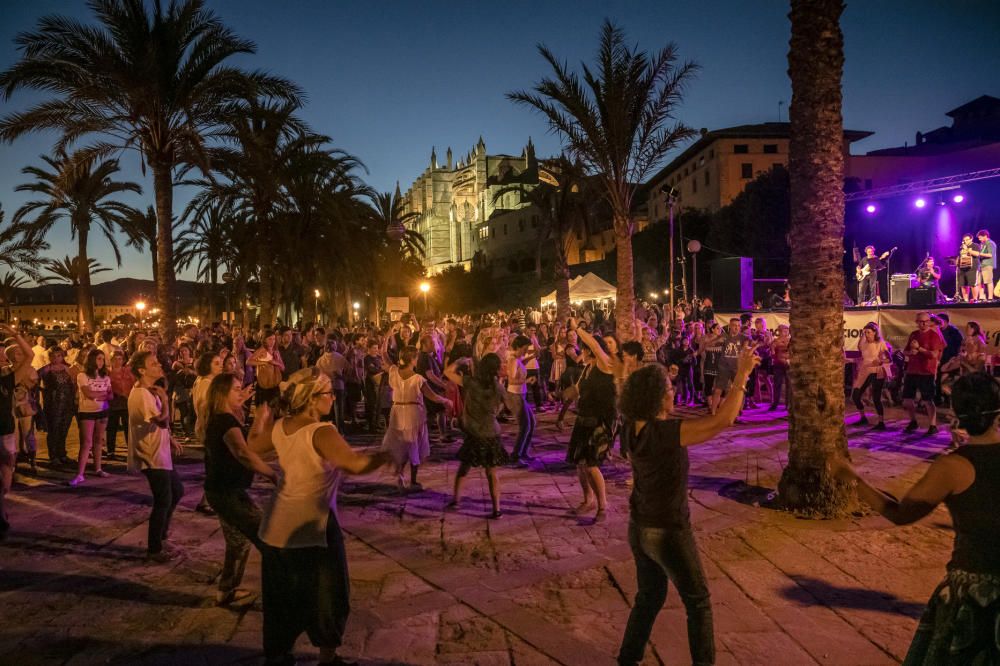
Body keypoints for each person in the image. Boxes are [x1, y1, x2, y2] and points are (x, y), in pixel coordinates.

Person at [831, 372, 1000, 665]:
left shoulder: (953, 467)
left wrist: (853, 479)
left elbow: (900, 514)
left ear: (956, 413)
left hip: (975, 595)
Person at [617, 343, 759, 666]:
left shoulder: (630, 427)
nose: (673, 390)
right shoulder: (664, 433)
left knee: (649, 597)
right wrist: (742, 375)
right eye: (668, 387)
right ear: (656, 397)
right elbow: (721, 421)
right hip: (667, 530)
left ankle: (627, 659)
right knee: (698, 602)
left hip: (638, 527)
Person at [249, 367, 391, 666]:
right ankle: (327, 658)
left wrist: (260, 420)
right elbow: (352, 463)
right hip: (314, 525)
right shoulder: (321, 431)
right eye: (328, 393)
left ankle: (278, 655)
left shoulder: (281, 427)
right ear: (313, 399)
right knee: (330, 593)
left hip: (275, 528)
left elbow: (251, 447)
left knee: (281, 598)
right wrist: (385, 455)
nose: (332, 397)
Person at [203, 372, 275, 606]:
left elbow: (250, 446)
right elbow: (244, 453)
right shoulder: (224, 421)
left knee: (238, 542)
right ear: (222, 393)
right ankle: (281, 593)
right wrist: (272, 474)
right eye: (236, 389)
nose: (241, 392)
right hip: (227, 493)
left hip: (224, 490)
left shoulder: (225, 418)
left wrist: (258, 419)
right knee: (267, 537)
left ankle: (226, 590)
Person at [127, 350, 185, 562]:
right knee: (163, 499)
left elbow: (160, 425)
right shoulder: (141, 394)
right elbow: (161, 420)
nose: (159, 365)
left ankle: (161, 534)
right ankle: (154, 548)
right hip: (150, 454)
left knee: (177, 491)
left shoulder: (149, 390)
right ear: (141, 370)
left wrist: (170, 438)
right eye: (153, 364)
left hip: (160, 451)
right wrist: (166, 400)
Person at [379, 341, 450, 490]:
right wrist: (446, 401)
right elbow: (433, 396)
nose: (417, 360)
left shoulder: (393, 371)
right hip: (413, 414)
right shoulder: (418, 379)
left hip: (397, 412)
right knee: (413, 445)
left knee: (400, 445)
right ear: (412, 360)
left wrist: (388, 335)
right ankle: (413, 481)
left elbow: (384, 353)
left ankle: (400, 474)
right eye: (416, 358)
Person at [566, 320, 617, 523]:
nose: (582, 352)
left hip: (599, 422)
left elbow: (596, 345)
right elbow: (577, 390)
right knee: (580, 464)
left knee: (592, 465)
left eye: (584, 349)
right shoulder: (586, 370)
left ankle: (603, 504)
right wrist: (562, 395)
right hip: (583, 420)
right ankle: (588, 500)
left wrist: (577, 328)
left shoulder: (606, 366)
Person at [445, 354, 507, 518]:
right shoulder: (498, 388)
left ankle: (456, 500)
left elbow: (448, 372)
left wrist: (459, 361)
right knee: (491, 473)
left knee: (464, 467)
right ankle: (497, 509)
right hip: (491, 432)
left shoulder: (471, 383)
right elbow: (499, 409)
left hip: (474, 433)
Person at [0, 326, 34, 539]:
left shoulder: (7, 379)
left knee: (6, 476)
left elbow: (29, 355)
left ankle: (1, 505)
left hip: (5, 432)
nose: (2, 361)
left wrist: (15, 335)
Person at [69, 349, 113, 486]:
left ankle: (98, 468)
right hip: (87, 411)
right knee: (86, 442)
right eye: (98, 359)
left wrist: (98, 395)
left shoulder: (106, 377)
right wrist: (102, 395)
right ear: (92, 359)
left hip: (103, 410)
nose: (101, 362)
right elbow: (88, 394)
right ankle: (80, 474)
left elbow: (111, 395)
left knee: (99, 440)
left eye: (102, 359)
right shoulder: (82, 376)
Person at [902, 312, 945, 436]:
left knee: (927, 400)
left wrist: (919, 349)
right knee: (907, 399)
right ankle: (913, 421)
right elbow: (905, 351)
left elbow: (934, 355)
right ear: (916, 322)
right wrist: (911, 352)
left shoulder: (933, 335)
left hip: (926, 371)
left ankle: (932, 425)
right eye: (920, 321)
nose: (923, 323)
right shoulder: (914, 334)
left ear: (929, 321)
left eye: (925, 321)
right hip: (912, 370)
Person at [851, 322, 892, 430]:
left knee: (876, 398)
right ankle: (863, 418)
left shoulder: (880, 343)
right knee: (855, 395)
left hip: (877, 371)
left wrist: (880, 361)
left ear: (875, 333)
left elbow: (889, 359)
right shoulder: (863, 343)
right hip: (865, 371)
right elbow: (862, 354)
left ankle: (881, 422)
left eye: (868, 332)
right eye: (864, 332)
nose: (866, 334)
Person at [39, 346, 75, 466]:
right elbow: (34, 381)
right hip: (53, 404)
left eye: (59, 355)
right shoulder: (45, 370)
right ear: (49, 357)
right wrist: (44, 391)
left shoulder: (67, 368)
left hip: (67, 403)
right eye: (53, 356)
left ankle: (62, 454)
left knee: (64, 429)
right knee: (53, 429)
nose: (56, 358)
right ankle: (53, 456)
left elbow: (73, 384)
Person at [506, 334, 538, 464]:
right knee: (525, 426)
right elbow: (511, 380)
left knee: (531, 423)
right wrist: (527, 380)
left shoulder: (518, 359)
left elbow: (520, 364)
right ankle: (515, 456)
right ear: (518, 347)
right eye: (525, 349)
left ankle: (523, 452)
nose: (526, 351)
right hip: (515, 396)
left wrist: (530, 357)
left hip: (521, 395)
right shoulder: (513, 360)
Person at [106, 350, 132, 460]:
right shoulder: (107, 373)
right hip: (113, 403)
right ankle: (110, 451)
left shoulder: (127, 371)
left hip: (126, 403)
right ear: (111, 360)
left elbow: (132, 383)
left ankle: (130, 448)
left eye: (120, 359)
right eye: (115, 359)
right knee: (112, 427)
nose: (118, 361)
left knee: (128, 427)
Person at [957, 233, 980, 302]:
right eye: (964, 240)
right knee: (963, 284)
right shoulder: (961, 247)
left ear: (971, 239)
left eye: (967, 240)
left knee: (973, 284)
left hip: (972, 268)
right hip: (962, 268)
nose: (965, 241)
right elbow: (959, 256)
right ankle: (965, 300)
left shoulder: (975, 245)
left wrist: (967, 249)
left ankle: (975, 299)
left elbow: (977, 254)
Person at [975, 229, 996, 301]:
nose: (979, 239)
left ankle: (990, 298)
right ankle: (982, 297)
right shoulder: (982, 245)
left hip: (987, 265)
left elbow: (990, 255)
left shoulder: (990, 243)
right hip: (981, 265)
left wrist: (979, 254)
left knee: (988, 281)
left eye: (980, 237)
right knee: (980, 282)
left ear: (985, 236)